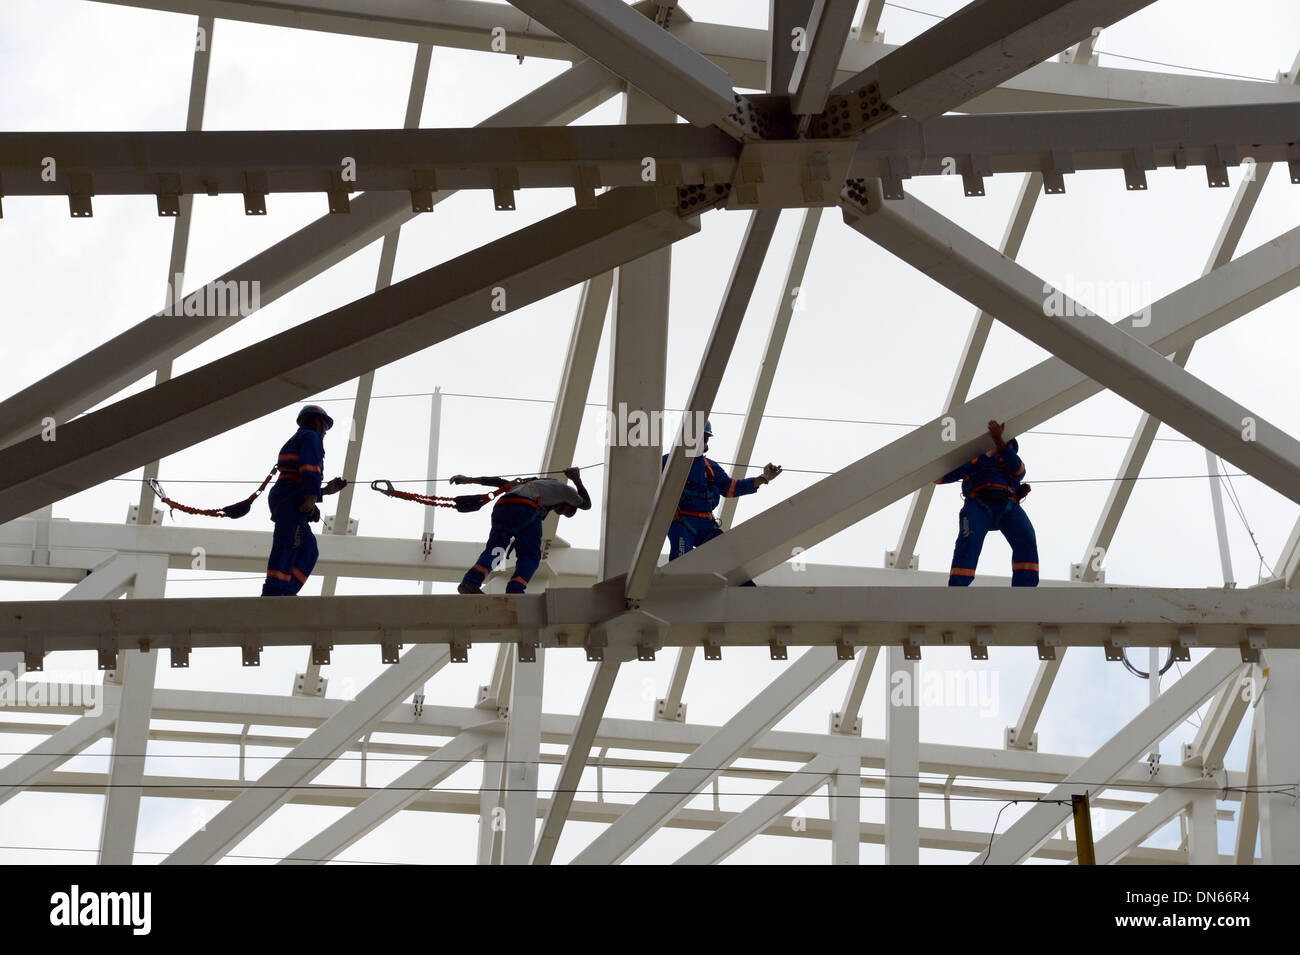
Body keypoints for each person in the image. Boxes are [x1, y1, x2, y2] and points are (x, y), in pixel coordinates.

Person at [663, 420, 781, 585]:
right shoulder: (669, 462)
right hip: (682, 522)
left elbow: (731, 488)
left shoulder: (710, 468)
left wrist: (763, 479)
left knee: (730, 561)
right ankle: (674, 597)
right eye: (697, 437)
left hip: (706, 524)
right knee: (680, 563)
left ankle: (750, 596)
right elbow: (649, 487)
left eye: (704, 438)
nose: (701, 442)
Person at [456, 466, 591, 594]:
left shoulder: (528, 483)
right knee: (530, 556)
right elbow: (586, 504)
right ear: (569, 503)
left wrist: (468, 480)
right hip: (525, 508)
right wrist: (576, 479)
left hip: (502, 508)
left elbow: (498, 482)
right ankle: (515, 589)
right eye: (561, 510)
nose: (556, 510)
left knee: (495, 551)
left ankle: (470, 583)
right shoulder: (567, 491)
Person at [935, 419, 1037, 587]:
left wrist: (998, 444)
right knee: (969, 541)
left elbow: (1018, 468)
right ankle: (958, 588)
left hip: (1007, 506)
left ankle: (1025, 589)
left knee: (1026, 539)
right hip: (978, 505)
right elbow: (938, 477)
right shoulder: (973, 464)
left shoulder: (1012, 464)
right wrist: (984, 456)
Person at [261, 405, 347, 596]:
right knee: (288, 543)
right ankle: (274, 591)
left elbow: (302, 478)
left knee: (308, 550)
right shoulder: (311, 436)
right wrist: (311, 496)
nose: (325, 430)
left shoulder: (302, 438)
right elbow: (309, 468)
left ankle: (287, 591)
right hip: (289, 496)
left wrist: (321, 493)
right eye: (324, 425)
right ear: (316, 421)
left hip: (290, 495)